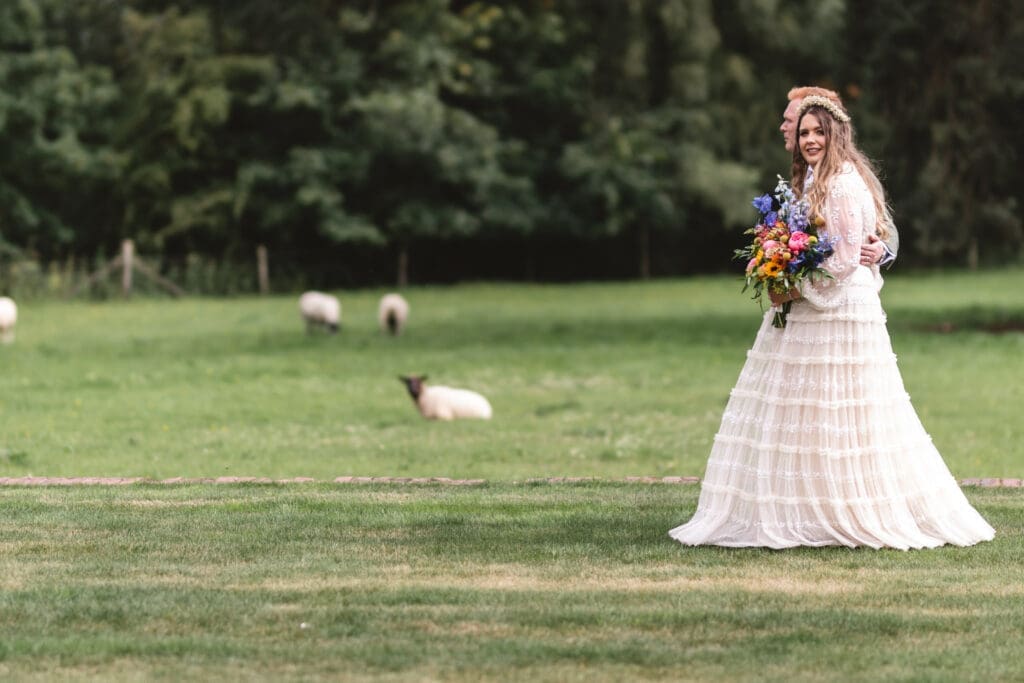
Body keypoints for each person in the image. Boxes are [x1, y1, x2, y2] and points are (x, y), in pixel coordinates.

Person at [669, 95, 994, 549]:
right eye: (803, 133)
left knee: (844, 410)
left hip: (838, 308)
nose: (809, 140)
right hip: (823, 303)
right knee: (810, 409)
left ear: (836, 134)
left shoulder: (841, 184)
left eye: (818, 131)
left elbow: (842, 261)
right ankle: (807, 507)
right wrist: (778, 262)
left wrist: (793, 284)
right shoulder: (812, 181)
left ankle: (847, 509)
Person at [781, 86, 896, 269]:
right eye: (805, 132)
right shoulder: (802, 169)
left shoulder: (848, 175)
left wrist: (882, 250)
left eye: (789, 120)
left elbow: (885, 224)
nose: (782, 127)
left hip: (842, 284)